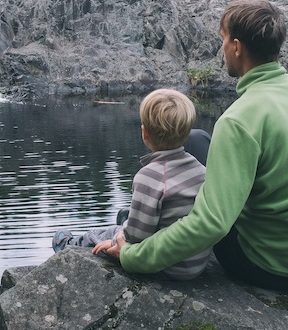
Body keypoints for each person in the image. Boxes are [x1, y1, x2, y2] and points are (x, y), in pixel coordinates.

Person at [104, 0, 288, 291]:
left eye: (222, 40)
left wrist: (134, 257)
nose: (222, 50)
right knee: (195, 140)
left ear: (236, 46)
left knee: (193, 148)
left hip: (267, 266)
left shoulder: (239, 120)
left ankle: (141, 221)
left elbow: (213, 224)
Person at [51, 89, 210, 280]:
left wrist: (117, 239)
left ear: (144, 133)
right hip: (195, 264)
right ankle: (129, 216)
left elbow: (136, 237)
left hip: (167, 267)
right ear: (186, 134)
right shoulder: (200, 169)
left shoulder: (149, 177)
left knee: (106, 233)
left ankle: (68, 245)